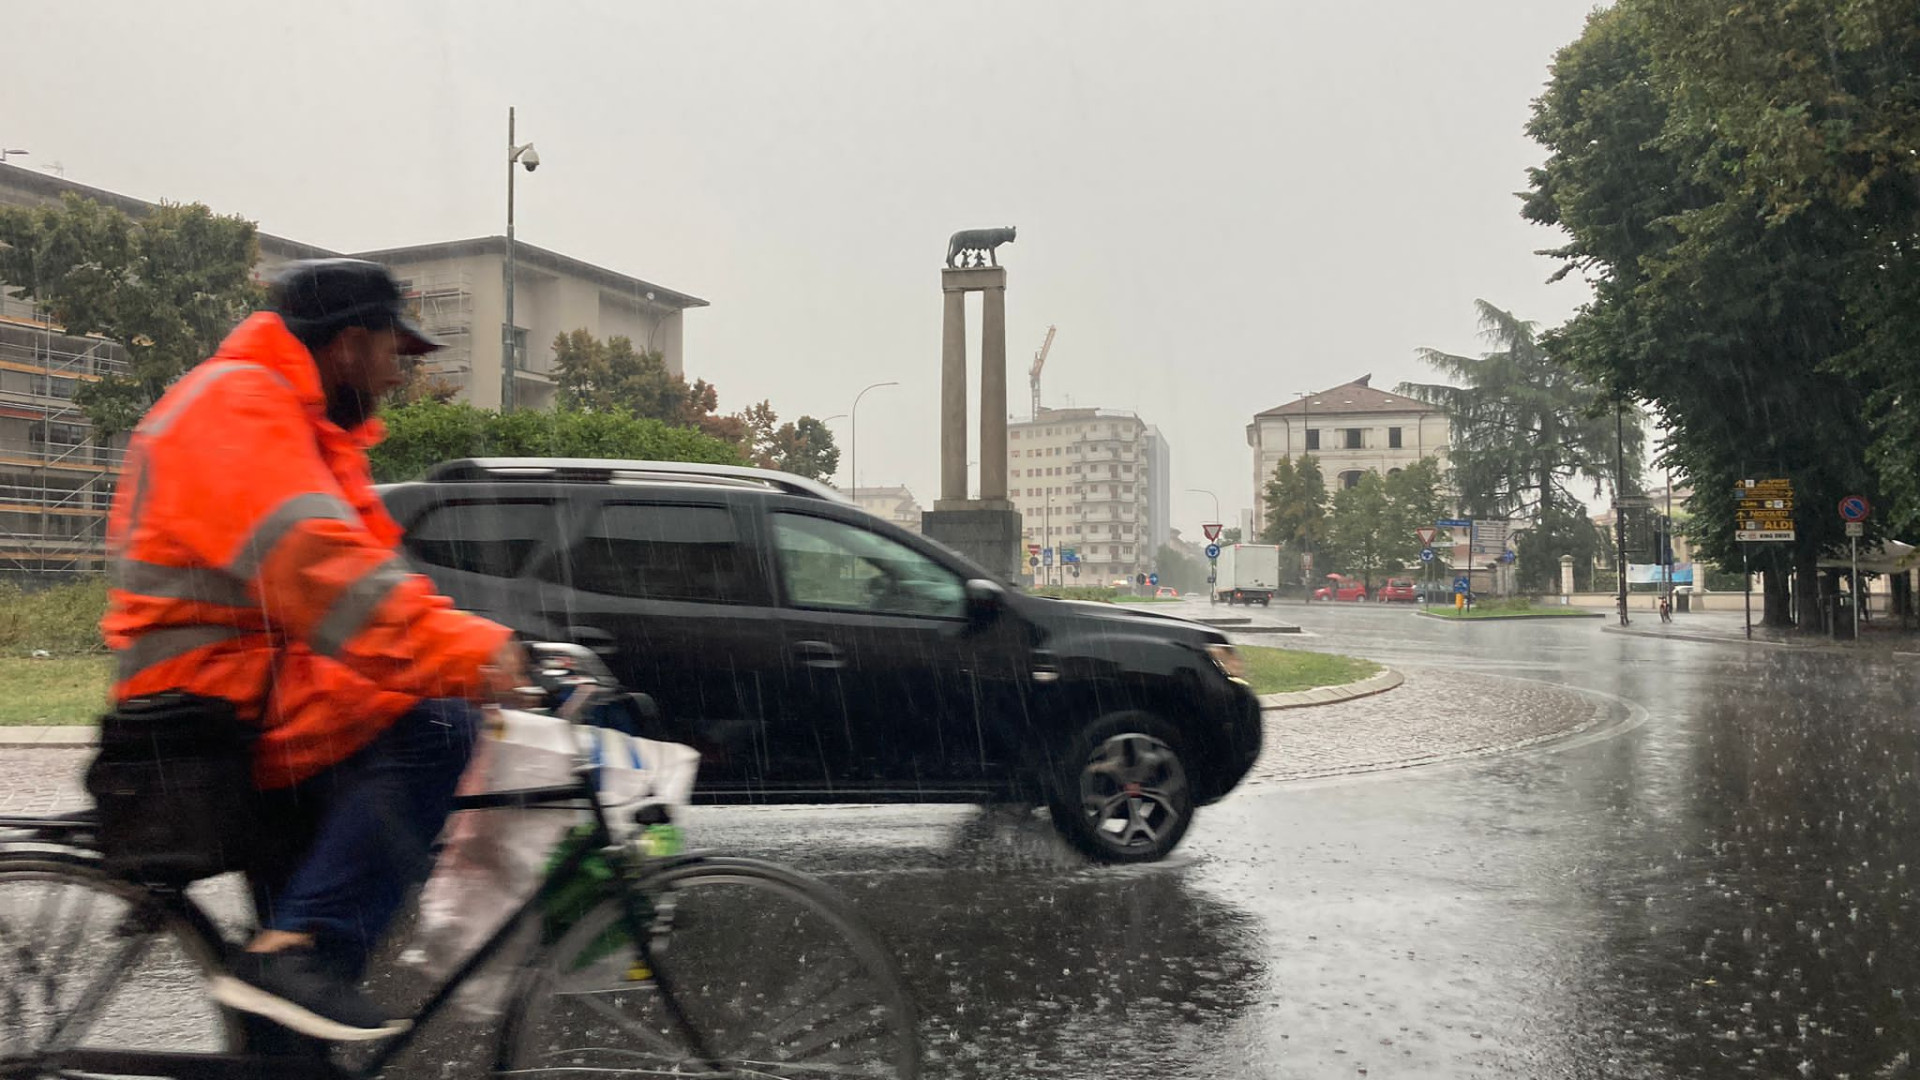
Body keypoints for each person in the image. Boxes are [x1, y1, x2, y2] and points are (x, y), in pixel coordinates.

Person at [102, 259, 524, 1042]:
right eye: (394, 353)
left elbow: (375, 575)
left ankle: (288, 981)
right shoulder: (237, 410)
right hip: (211, 702)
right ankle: (296, 952)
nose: (400, 376)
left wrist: (475, 640)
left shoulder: (300, 420)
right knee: (436, 726)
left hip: (261, 688)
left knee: (293, 1024)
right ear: (348, 344)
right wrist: (471, 658)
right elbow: (333, 584)